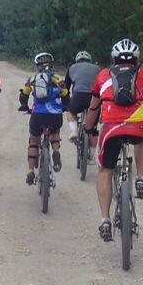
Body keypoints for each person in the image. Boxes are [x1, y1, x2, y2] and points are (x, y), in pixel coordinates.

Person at [84, 39, 143, 242]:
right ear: (137, 59)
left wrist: (88, 127)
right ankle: (140, 177)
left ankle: (104, 220)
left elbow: (94, 108)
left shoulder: (102, 75)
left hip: (110, 127)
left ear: (113, 58)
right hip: (137, 126)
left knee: (105, 171)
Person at [18, 52, 69, 185]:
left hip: (38, 115)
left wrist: (24, 106)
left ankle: (30, 171)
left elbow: (23, 96)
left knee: (34, 140)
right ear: (51, 65)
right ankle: (56, 151)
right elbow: (66, 95)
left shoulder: (32, 79)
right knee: (55, 132)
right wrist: (65, 106)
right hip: (55, 115)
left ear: (37, 66)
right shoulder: (58, 79)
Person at [64, 50, 101, 160]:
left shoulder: (72, 67)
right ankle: (92, 155)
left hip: (78, 96)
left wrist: (66, 102)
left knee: (70, 111)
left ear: (77, 60)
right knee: (93, 128)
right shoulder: (97, 69)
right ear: (90, 60)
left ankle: (74, 130)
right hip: (94, 98)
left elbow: (66, 87)